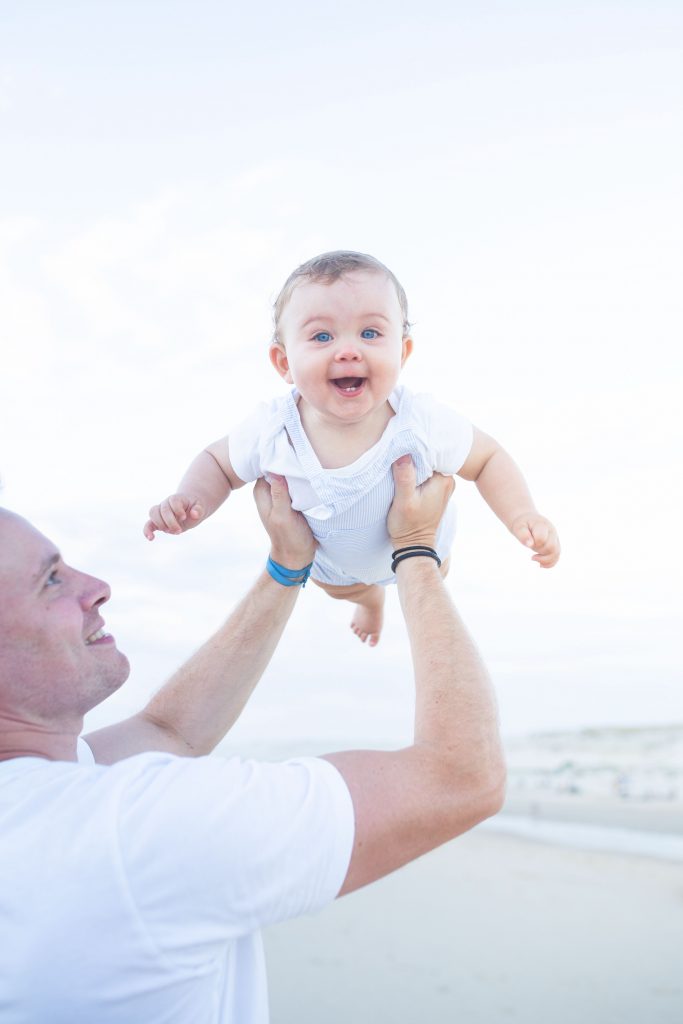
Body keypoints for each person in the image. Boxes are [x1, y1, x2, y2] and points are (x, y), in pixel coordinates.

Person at [0, 459, 505, 1024]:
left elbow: (170, 732)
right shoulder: (136, 831)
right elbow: (463, 777)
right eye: (51, 581)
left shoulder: (37, 801)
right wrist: (414, 551)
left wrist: (288, 567)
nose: (97, 588)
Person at [144, 250, 560, 646]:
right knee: (337, 588)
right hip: (335, 566)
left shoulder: (420, 421)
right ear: (283, 363)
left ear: (403, 351)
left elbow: (487, 459)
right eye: (322, 336)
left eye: (370, 333)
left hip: (428, 545)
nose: (348, 350)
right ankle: (369, 599)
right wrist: (189, 499)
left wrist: (522, 513)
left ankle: (389, 594)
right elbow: (218, 463)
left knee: (434, 584)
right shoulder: (273, 429)